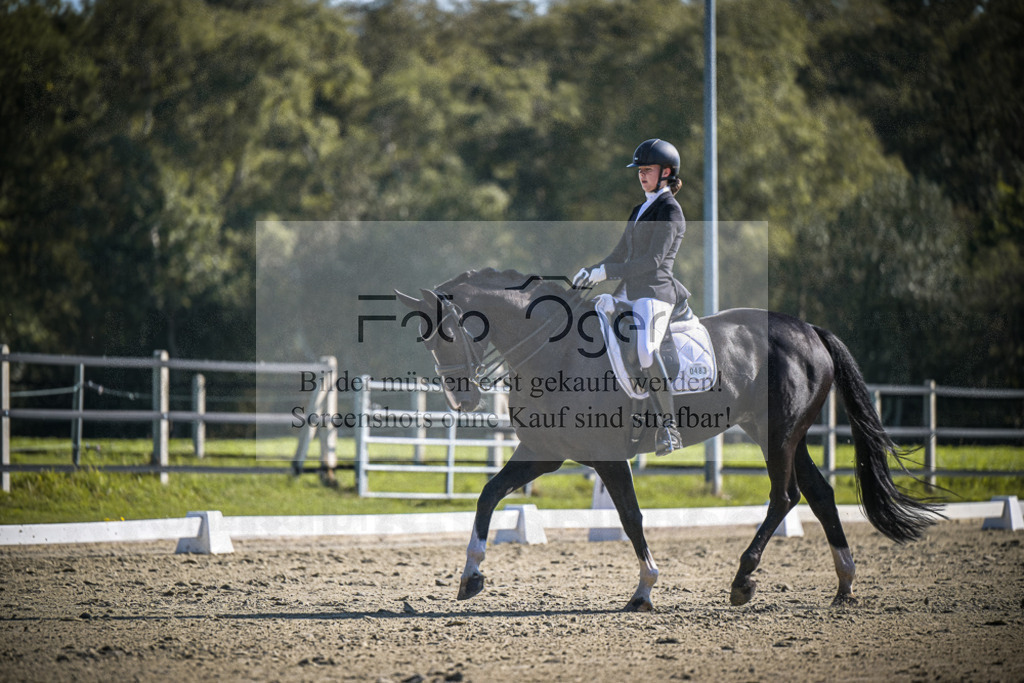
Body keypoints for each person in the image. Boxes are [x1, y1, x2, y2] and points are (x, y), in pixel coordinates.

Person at [573, 138, 691, 456]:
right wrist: (592, 272)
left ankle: (669, 428)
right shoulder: (639, 209)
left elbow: (652, 262)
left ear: (667, 173)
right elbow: (620, 253)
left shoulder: (670, 211)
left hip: (655, 294)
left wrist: (607, 273)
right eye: (640, 170)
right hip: (628, 292)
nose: (642, 175)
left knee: (646, 351)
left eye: (648, 169)